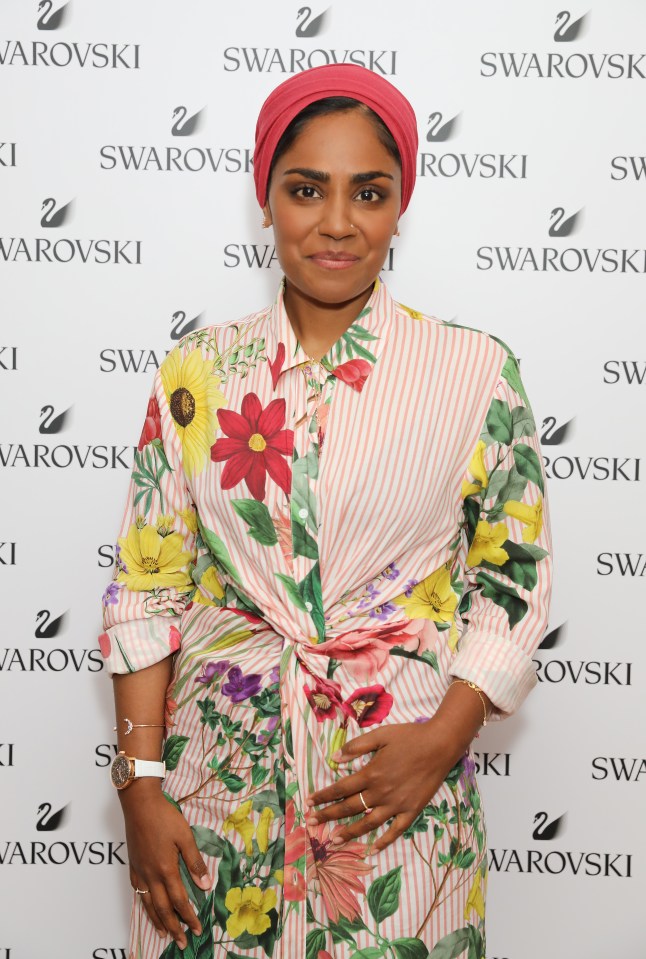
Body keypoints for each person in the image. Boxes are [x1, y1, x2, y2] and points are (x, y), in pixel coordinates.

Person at [99, 64, 552, 959]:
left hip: (395, 800)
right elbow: (148, 585)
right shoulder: (197, 374)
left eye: (369, 193)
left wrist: (441, 743)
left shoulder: (472, 372)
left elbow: (512, 580)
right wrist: (141, 787)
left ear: (399, 205)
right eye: (306, 189)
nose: (337, 223)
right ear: (264, 198)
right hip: (211, 796)